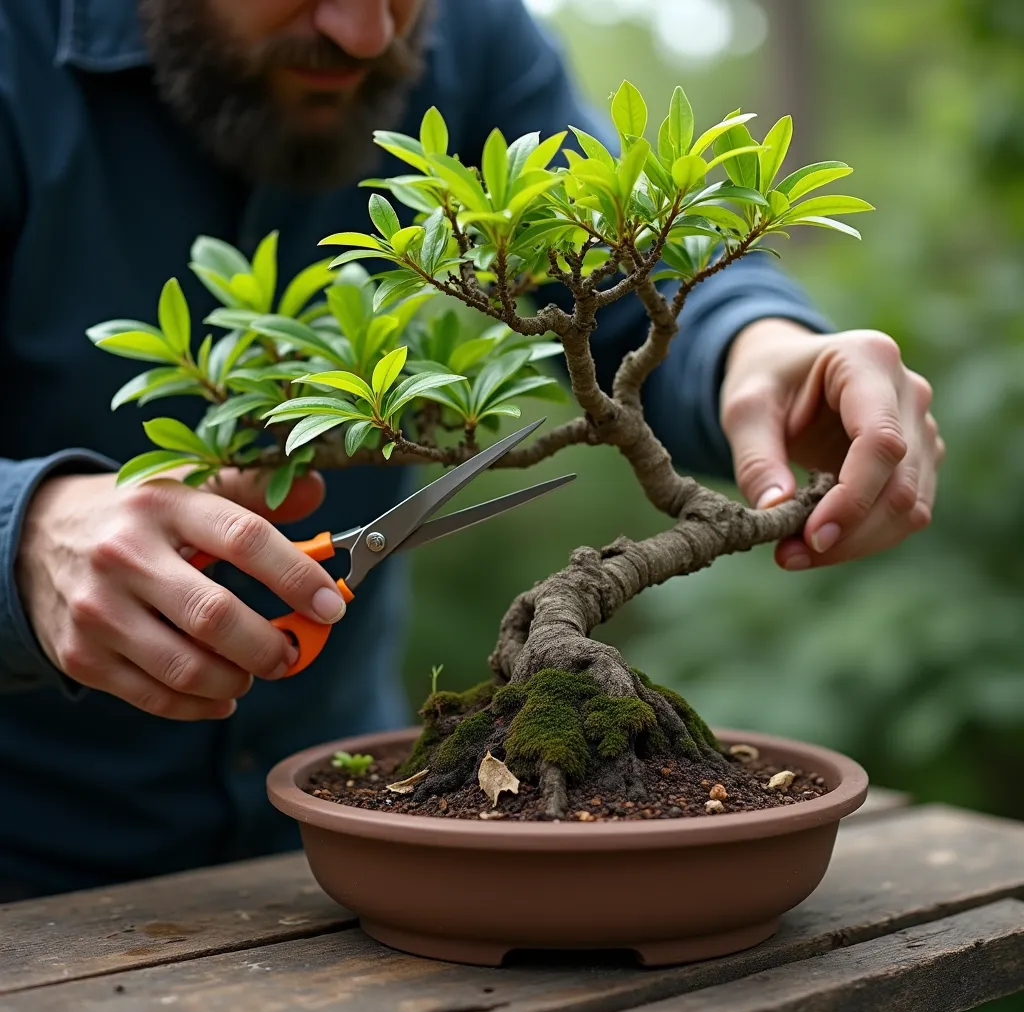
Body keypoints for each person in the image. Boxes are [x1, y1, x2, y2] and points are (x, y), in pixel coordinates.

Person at [0, 0, 943, 901]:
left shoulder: (475, 33)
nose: (367, 33)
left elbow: (623, 270)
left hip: (345, 873)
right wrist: (27, 530)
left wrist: (764, 350)